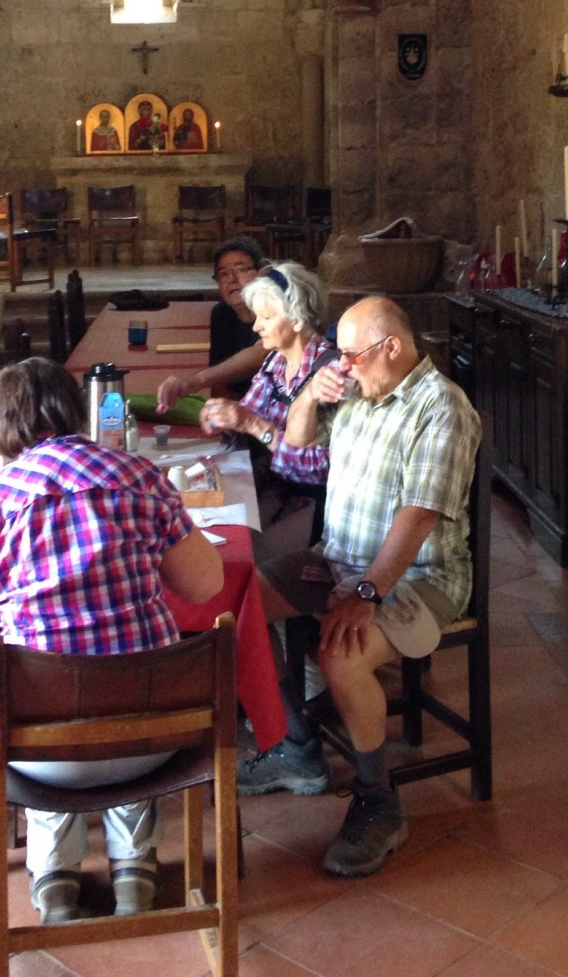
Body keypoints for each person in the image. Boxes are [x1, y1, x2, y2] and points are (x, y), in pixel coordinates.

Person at [0, 359, 223, 924]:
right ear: (75, 408)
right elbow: (205, 584)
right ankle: (134, 868)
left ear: (0, 422)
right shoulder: (140, 478)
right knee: (130, 677)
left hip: (40, 752)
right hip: (155, 734)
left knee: (38, 697)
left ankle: (55, 877)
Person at [236, 296, 480, 880]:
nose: (341, 364)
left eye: (351, 354)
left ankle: (378, 799)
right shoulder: (358, 390)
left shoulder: (441, 407)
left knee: (341, 652)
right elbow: (297, 444)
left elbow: (419, 515)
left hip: (419, 577)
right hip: (336, 560)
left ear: (391, 347)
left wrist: (368, 592)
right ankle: (297, 745)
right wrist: (307, 397)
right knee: (242, 604)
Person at [199, 262, 335, 559]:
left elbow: (320, 469)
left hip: (317, 505)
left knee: (242, 557)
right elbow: (246, 415)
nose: (256, 326)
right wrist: (223, 418)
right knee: (210, 537)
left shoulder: (329, 373)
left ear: (297, 319)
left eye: (267, 317)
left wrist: (251, 424)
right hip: (276, 488)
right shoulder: (277, 361)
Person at [156, 236, 268, 410]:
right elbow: (220, 380)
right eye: (223, 274)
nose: (232, 279)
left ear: (261, 274)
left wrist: (196, 380)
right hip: (243, 409)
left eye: (240, 270)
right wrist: (223, 414)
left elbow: (261, 353)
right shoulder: (221, 314)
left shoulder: (273, 309)